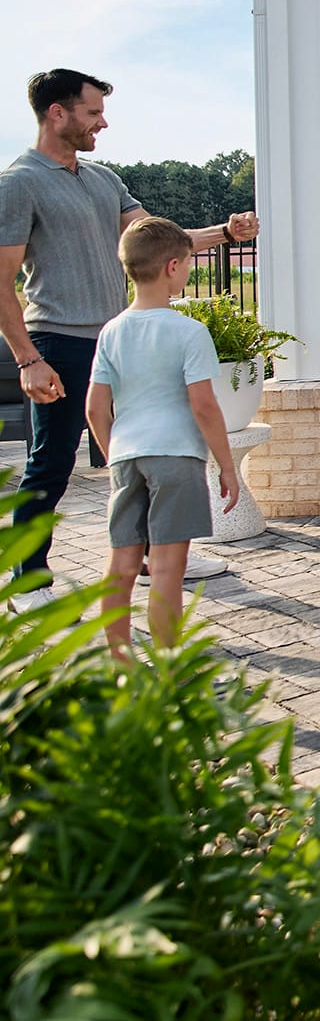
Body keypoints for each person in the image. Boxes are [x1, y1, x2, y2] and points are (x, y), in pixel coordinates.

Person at [0, 69, 258, 612]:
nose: (103, 122)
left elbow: (157, 238)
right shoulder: (19, 182)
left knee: (138, 453)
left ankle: (151, 557)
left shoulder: (102, 178)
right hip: (60, 341)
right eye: (93, 112)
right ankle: (29, 579)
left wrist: (223, 233)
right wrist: (28, 358)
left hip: (120, 337)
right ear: (57, 113)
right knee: (50, 461)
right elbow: (2, 281)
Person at [86, 217, 239, 655]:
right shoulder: (189, 331)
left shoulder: (111, 331)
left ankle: (121, 664)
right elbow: (204, 406)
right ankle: (169, 670)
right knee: (169, 569)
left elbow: (96, 409)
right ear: (172, 267)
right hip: (176, 457)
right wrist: (226, 465)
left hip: (126, 455)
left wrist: (115, 455)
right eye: (189, 263)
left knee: (121, 566)